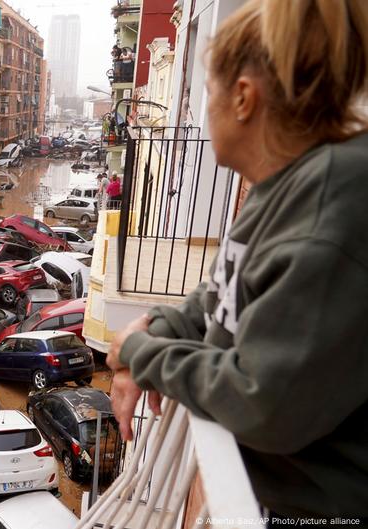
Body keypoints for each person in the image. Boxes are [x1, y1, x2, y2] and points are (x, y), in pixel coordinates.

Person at [105, 0, 368, 519]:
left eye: (208, 93)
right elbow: (220, 293)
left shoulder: (330, 207)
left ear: (244, 97)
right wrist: (159, 324)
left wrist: (143, 353)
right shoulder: (287, 185)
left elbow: (262, 401)